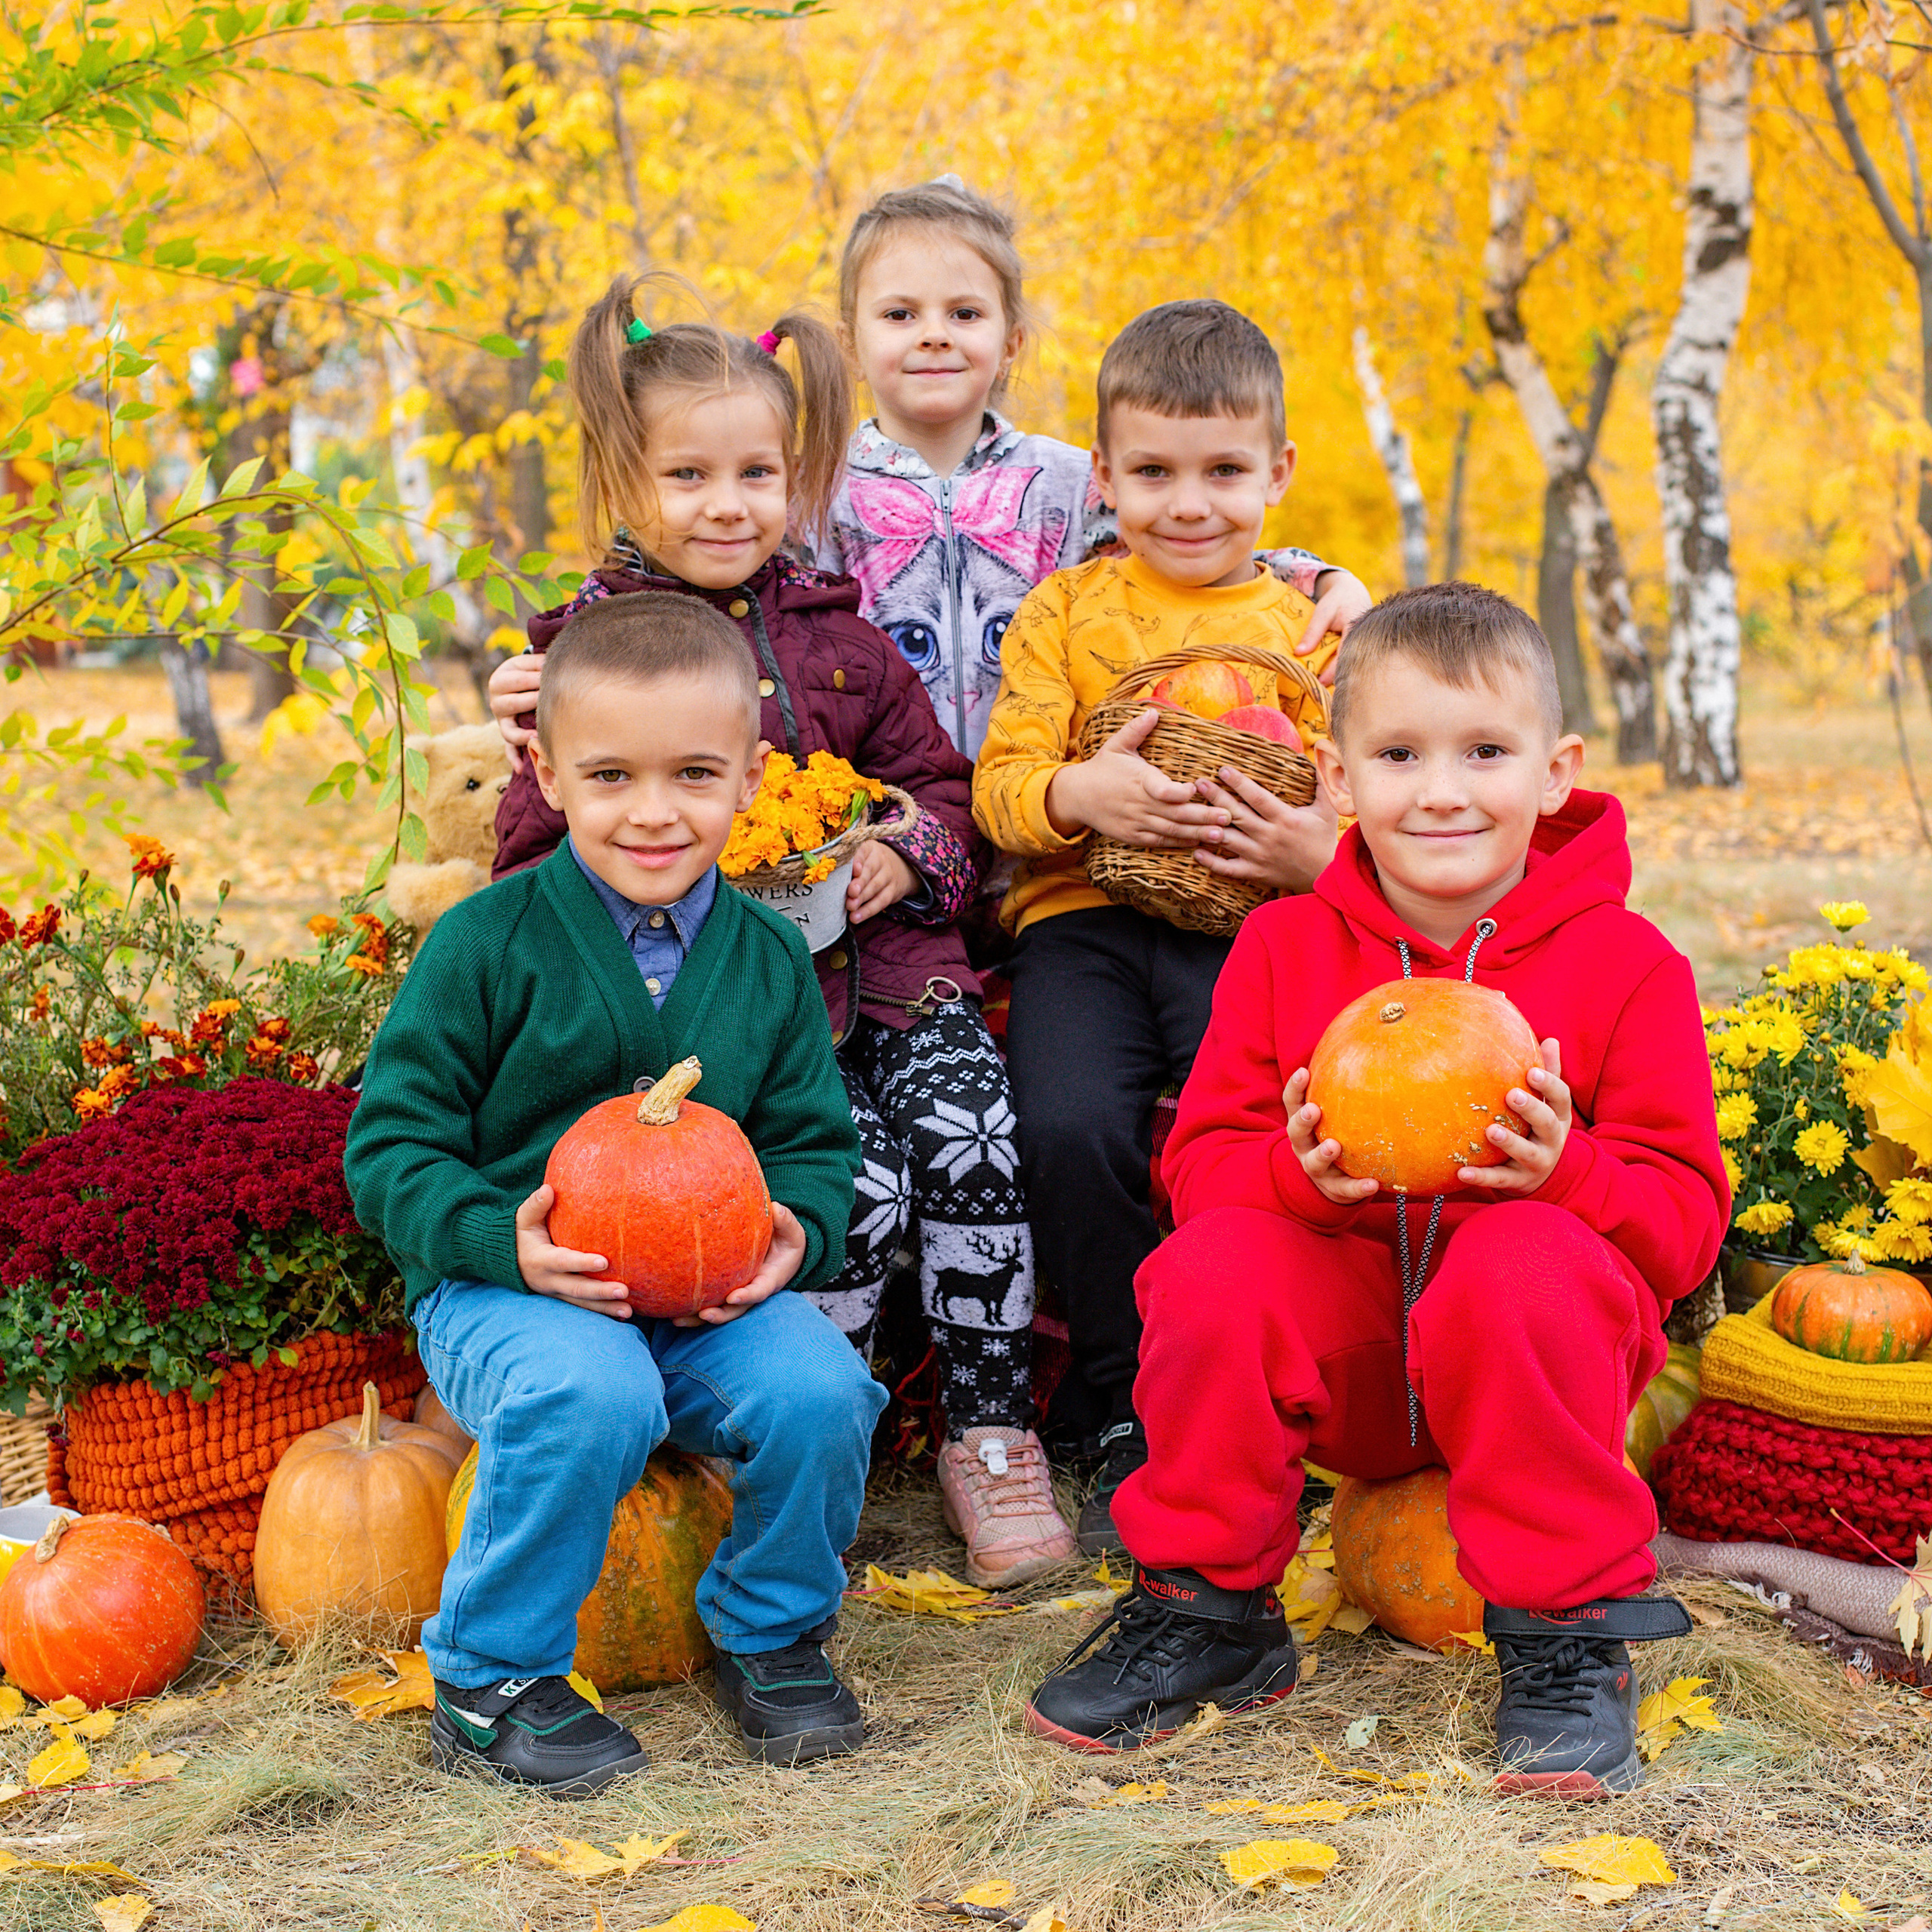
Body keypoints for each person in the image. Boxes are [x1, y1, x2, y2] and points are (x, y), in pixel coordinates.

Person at [1024, 582, 1729, 1798]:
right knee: (1208, 1267)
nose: (1443, 790)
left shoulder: (1628, 966)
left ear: (1556, 772)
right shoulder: (1284, 949)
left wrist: (1571, 1175)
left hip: (1525, 1380)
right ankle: (1212, 1610)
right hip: (1345, 1369)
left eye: (1486, 753)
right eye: (1400, 754)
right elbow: (1198, 1170)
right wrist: (1295, 1182)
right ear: (1339, 780)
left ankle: (1567, 1633)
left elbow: (1681, 1228)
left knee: (1524, 1257)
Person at [485, 285, 1078, 1586]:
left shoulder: (844, 644)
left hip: (901, 978)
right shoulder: (590, 657)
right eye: (687, 474)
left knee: (976, 1139)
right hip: (741, 1026)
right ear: (623, 476)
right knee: (848, 1193)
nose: (726, 503)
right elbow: (535, 854)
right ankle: (818, 1448)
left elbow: (940, 789)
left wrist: (893, 852)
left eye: (757, 472)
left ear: (795, 477)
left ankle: (990, 1434)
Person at [345, 592, 888, 1790]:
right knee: (590, 1394)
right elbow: (390, 1149)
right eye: (611, 775)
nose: (654, 811)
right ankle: (493, 1676)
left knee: (821, 1389)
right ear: (544, 768)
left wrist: (796, 1230)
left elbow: (811, 1142)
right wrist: (498, 1238)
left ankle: (772, 1629)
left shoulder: (770, 956)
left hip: (703, 1295)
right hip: (512, 1290)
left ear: (752, 774)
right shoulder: (484, 944)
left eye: (695, 773)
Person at [972, 299, 1370, 1549]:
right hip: (1082, 916)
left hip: (1250, 923)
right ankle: (1114, 1382)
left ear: (1279, 474)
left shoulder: (1314, 630)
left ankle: (1250, 1384)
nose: (1188, 503)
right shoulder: (1067, 615)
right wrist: (1079, 796)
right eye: (1151, 473)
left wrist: (1313, 854)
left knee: (1238, 1131)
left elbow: (1362, 790)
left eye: (1223, 473)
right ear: (1102, 475)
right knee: (1071, 1122)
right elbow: (1000, 787)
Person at [819, 177, 1363, 761]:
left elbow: (1194, 547)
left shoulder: (1068, 481)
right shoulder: (821, 496)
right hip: (890, 814)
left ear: (1011, 343)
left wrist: (1324, 581)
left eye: (965, 313)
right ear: (850, 345)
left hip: (1050, 805)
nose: (933, 336)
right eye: (900, 314)